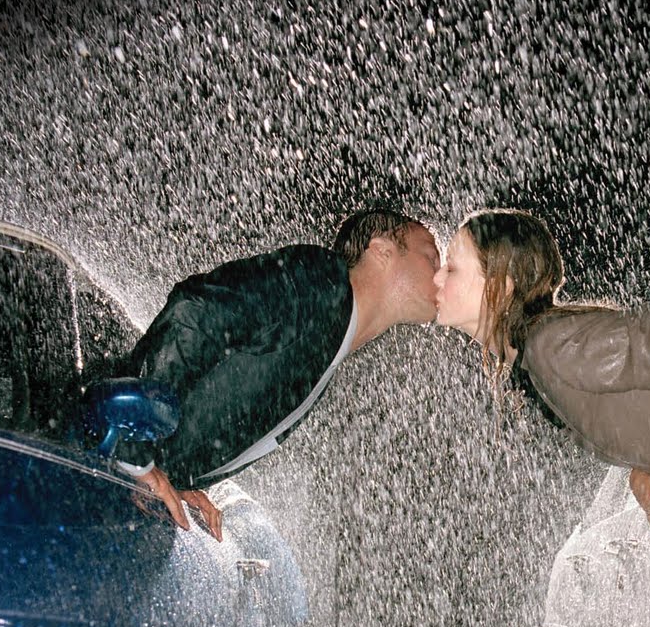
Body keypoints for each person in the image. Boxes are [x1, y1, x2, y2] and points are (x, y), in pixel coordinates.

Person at [119, 207, 440, 539]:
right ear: (382, 251)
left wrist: (172, 474)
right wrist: (133, 442)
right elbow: (197, 310)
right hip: (101, 444)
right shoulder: (320, 281)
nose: (441, 274)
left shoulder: (332, 334)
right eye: (431, 257)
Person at [433, 208, 650, 530]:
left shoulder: (556, 346)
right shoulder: (537, 362)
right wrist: (643, 471)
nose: (437, 277)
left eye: (451, 268)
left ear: (501, 288)